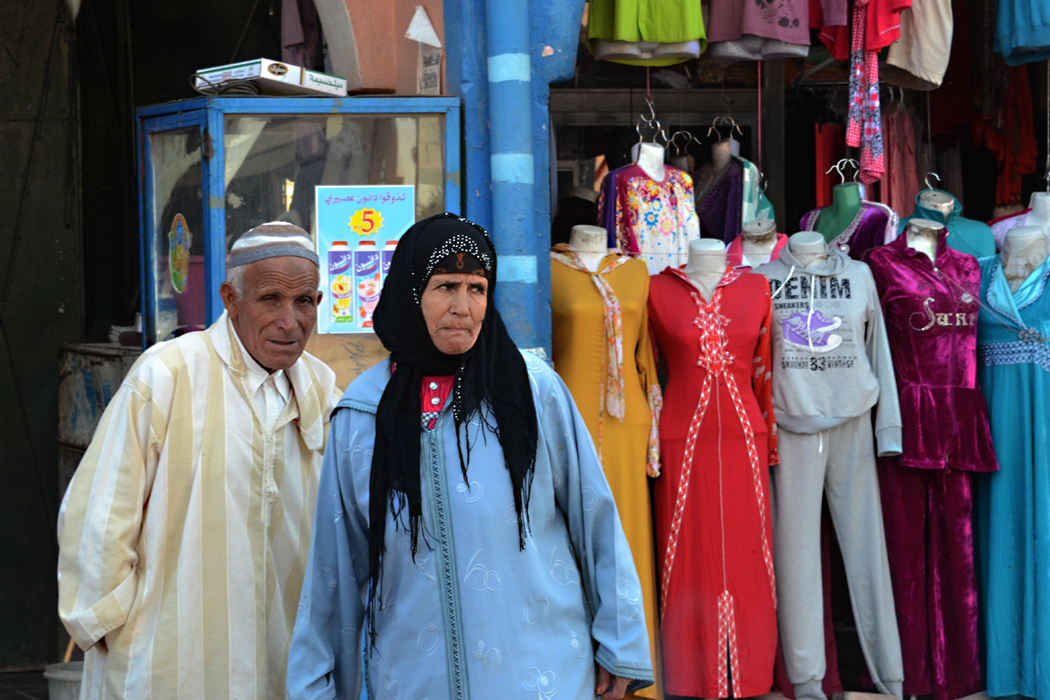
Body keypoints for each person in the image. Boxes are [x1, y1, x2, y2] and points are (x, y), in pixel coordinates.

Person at [286, 213, 653, 700]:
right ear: (411, 291)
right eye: (445, 286)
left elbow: (596, 520)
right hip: (413, 679)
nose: (463, 307)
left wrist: (620, 641)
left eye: (477, 289)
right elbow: (335, 570)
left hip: (542, 675)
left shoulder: (533, 390)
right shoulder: (362, 412)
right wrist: (315, 686)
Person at [58, 222, 341, 700]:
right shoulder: (168, 373)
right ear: (231, 299)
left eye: (305, 302)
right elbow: (100, 516)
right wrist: (115, 627)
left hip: (285, 654)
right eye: (270, 299)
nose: (290, 321)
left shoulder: (322, 388)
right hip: (169, 659)